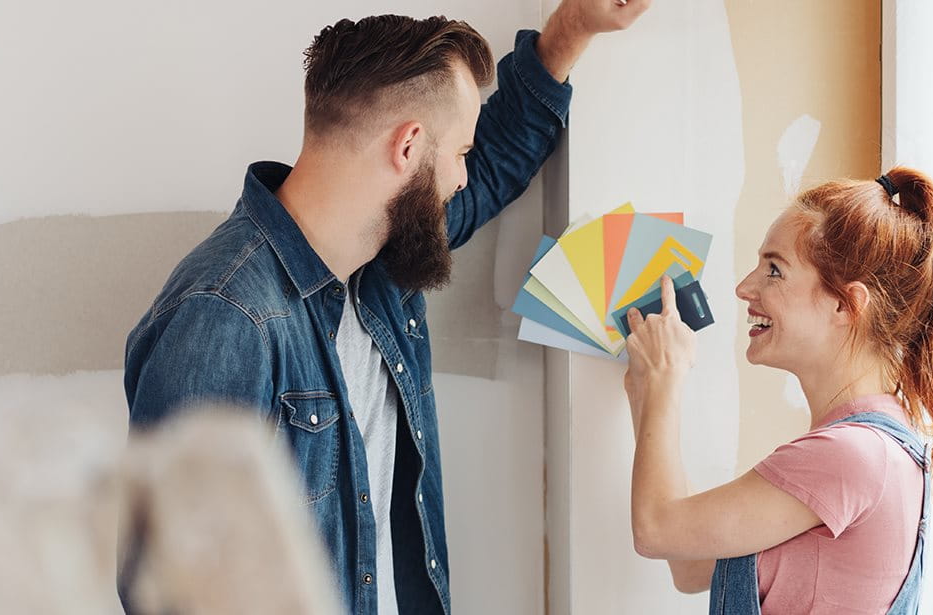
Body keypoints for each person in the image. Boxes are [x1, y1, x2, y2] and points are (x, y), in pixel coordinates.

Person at [121, 3, 652, 613]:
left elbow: (492, 169)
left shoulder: (381, 260)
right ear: (408, 146)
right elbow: (172, 592)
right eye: (459, 153)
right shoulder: (225, 316)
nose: (461, 178)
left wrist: (573, 29)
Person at [619, 168, 933, 614]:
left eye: (773, 270)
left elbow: (655, 530)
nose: (744, 287)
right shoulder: (874, 447)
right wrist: (646, 390)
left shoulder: (851, 455)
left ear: (845, 304)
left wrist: (666, 378)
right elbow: (690, 566)